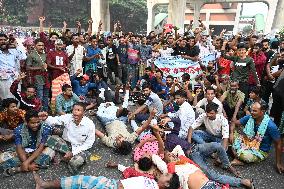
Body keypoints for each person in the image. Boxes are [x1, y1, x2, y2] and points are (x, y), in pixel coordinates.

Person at [41, 102, 96, 174]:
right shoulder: (68, 117)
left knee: (75, 162)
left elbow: (88, 144)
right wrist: (46, 118)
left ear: (84, 112)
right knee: (47, 146)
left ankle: (62, 155)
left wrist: (73, 153)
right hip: (65, 144)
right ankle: (62, 155)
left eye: (78, 110)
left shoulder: (89, 124)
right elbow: (55, 120)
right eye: (74, 110)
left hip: (79, 148)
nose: (75, 112)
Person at [230, 101, 284, 174]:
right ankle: (237, 155)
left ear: (262, 112)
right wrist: (231, 134)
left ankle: (236, 153)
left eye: (254, 111)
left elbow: (279, 143)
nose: (251, 112)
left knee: (244, 155)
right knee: (229, 136)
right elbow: (234, 122)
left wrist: (278, 163)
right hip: (246, 142)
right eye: (251, 110)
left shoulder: (271, 126)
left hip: (259, 150)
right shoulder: (250, 118)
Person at [0, 110, 53, 176]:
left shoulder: (45, 128)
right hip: (24, 151)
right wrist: (28, 164)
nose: (36, 125)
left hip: (39, 151)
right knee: (1, 160)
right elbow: (19, 148)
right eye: (33, 123)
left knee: (51, 147)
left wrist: (26, 163)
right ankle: (31, 166)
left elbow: (40, 147)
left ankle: (19, 168)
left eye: (38, 122)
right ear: (26, 122)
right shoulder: (18, 130)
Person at [32, 170, 180, 189]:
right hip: (112, 183)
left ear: (166, 184)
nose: (164, 173)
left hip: (111, 187)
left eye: (167, 175)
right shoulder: (153, 182)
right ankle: (43, 185)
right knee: (78, 181)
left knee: (79, 181)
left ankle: (43, 185)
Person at [26, 38, 49, 111]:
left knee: (46, 96)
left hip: (46, 78)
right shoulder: (31, 55)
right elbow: (28, 67)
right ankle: (39, 112)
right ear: (35, 46)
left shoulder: (45, 55)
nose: (41, 47)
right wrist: (40, 67)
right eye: (39, 45)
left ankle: (45, 112)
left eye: (42, 45)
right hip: (37, 78)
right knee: (40, 96)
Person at [47, 39, 71, 105]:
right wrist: (58, 68)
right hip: (55, 76)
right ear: (55, 45)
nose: (60, 46)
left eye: (61, 44)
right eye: (58, 44)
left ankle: (66, 107)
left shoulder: (64, 53)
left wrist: (67, 67)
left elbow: (68, 63)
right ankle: (55, 109)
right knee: (56, 93)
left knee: (67, 91)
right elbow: (48, 64)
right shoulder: (51, 53)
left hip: (65, 75)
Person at [0, 33, 18, 99]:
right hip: (3, 79)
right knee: (5, 98)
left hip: (15, 78)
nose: (3, 41)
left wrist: (15, 45)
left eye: (5, 40)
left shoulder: (13, 51)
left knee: (16, 97)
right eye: (0, 40)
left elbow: (23, 57)